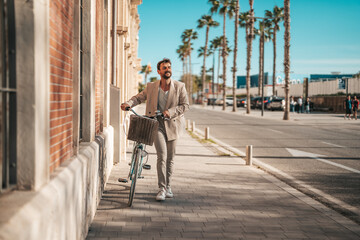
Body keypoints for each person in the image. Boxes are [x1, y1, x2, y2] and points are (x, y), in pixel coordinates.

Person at [121, 58, 189, 201]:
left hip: (173, 126)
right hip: (156, 124)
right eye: (164, 68)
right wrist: (128, 103)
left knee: (170, 158)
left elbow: (185, 106)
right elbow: (139, 98)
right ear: (159, 71)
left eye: (169, 67)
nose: (167, 70)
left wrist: (169, 112)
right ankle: (162, 188)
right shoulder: (151, 86)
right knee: (162, 156)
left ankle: (169, 186)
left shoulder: (179, 86)